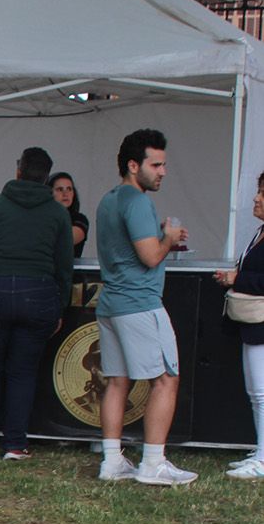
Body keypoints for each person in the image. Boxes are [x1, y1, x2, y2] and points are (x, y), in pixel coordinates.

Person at [93, 128, 196, 485]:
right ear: (133, 166)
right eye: (156, 164)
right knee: (166, 379)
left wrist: (162, 238)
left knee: (117, 382)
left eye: (164, 164)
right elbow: (150, 255)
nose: (163, 171)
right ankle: (153, 463)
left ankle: (112, 461)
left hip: (111, 304)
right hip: (139, 303)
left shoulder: (108, 199)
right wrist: (167, 237)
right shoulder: (137, 202)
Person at [0, 146, 74, 460]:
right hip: (39, 295)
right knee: (22, 371)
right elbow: (65, 264)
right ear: (46, 177)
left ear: (18, 170)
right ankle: (15, 443)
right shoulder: (58, 213)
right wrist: (60, 305)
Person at [213, 171, 264, 480]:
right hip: (251, 321)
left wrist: (238, 279)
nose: (256, 198)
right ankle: (260, 450)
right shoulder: (259, 232)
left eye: (262, 192)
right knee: (254, 391)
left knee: (262, 392)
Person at [48, 172, 88, 258]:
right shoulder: (43, 217)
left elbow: (67, 239)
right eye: (59, 189)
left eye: (69, 189)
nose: (65, 194)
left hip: (70, 270)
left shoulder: (79, 219)